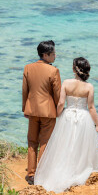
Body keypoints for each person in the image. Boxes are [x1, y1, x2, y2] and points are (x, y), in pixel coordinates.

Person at [33, 56, 98, 193]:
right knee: (81, 146)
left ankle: (62, 171)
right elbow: (91, 108)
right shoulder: (89, 87)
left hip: (68, 116)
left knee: (64, 145)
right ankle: (78, 170)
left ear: (74, 69)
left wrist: (58, 114)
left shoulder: (66, 83)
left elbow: (60, 103)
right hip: (83, 118)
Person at [22, 40, 62, 185]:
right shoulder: (53, 71)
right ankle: (42, 173)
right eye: (53, 54)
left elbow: (25, 90)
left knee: (32, 142)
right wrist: (60, 109)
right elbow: (57, 94)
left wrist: (24, 108)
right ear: (45, 55)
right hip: (48, 112)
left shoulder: (28, 68)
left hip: (32, 110)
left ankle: (31, 173)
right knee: (45, 142)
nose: (55, 56)